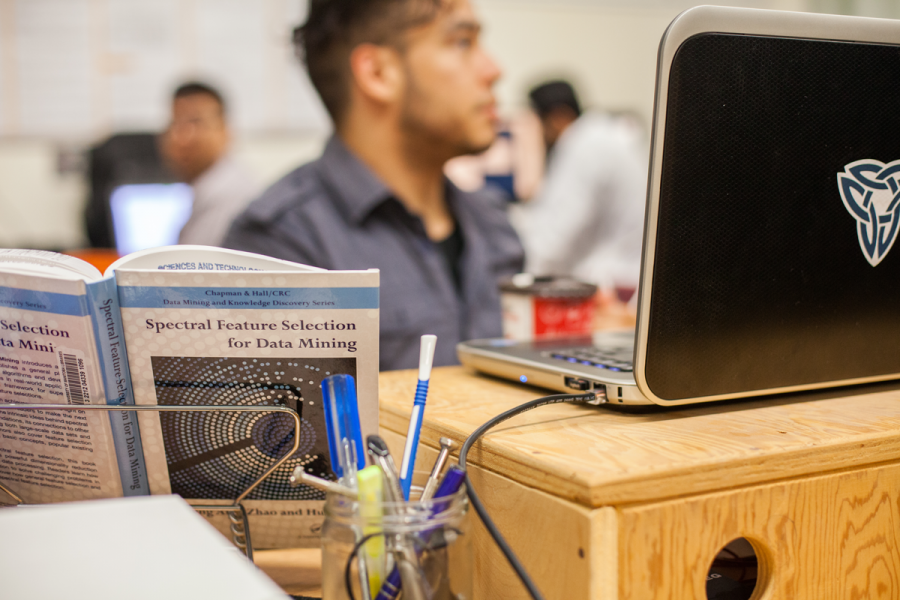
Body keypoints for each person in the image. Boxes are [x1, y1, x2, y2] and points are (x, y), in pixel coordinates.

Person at [222, 0, 524, 371]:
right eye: (462, 42)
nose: (494, 69)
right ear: (378, 73)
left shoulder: (493, 223)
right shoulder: (280, 244)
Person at [512, 80, 647, 296]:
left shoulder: (584, 146)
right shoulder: (602, 135)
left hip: (614, 285)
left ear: (558, 118)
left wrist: (513, 281)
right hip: (623, 276)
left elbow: (553, 241)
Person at [160, 82, 262, 247]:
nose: (183, 137)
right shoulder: (206, 189)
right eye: (175, 124)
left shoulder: (229, 197)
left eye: (196, 123)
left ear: (226, 131)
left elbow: (188, 267)